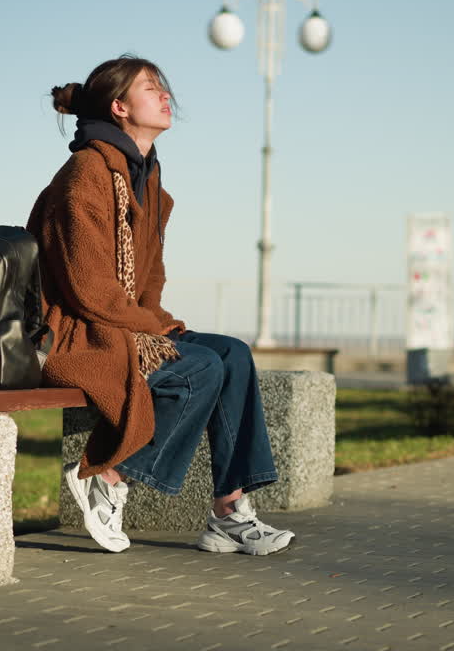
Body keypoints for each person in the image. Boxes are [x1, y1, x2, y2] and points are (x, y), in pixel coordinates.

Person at [26, 56, 294, 555]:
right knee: (200, 368)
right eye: (151, 88)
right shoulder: (87, 172)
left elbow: (148, 279)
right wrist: (150, 326)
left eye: (163, 87)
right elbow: (89, 289)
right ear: (120, 107)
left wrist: (157, 324)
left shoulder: (146, 178)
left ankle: (228, 512)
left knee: (232, 354)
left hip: (120, 322)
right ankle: (106, 476)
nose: (166, 95)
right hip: (73, 330)